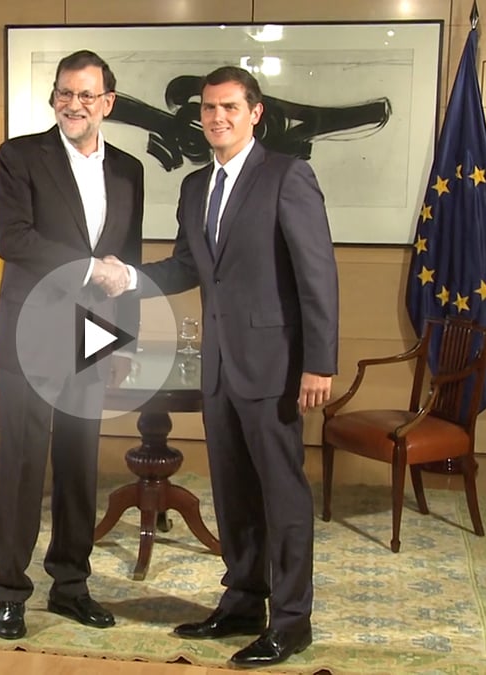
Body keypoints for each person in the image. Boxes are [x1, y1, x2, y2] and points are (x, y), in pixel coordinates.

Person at [100, 65, 338, 667]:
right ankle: (241, 603)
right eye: (208, 108)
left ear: (255, 113)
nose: (217, 118)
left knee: (281, 495)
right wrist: (129, 275)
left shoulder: (288, 176)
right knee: (233, 493)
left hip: (277, 366)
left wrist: (320, 363)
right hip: (219, 369)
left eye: (230, 107)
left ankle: (292, 620)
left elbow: (317, 277)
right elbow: (186, 267)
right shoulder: (194, 186)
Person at [0, 50, 141, 641]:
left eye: (85, 96)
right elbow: (11, 237)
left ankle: (71, 586)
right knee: (23, 465)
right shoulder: (21, 156)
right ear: (54, 97)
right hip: (31, 329)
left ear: (107, 103)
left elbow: (124, 257)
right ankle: (11, 593)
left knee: (78, 465)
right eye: (64, 94)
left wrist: (122, 343)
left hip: (93, 335)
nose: (73, 105)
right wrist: (86, 269)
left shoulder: (129, 169)